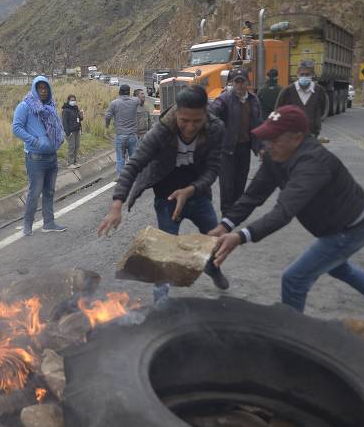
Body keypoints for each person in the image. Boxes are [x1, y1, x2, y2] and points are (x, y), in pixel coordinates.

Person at [209, 105, 364, 321]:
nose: (267, 145)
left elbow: (283, 212)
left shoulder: (313, 163)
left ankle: (293, 336)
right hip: (334, 225)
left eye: (274, 139)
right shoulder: (275, 155)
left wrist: (240, 237)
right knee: (336, 267)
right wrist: (225, 225)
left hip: (352, 228)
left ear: (297, 138)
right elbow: (253, 195)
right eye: (266, 138)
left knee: (294, 278)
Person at [98, 85, 229, 301]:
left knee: (213, 241)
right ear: (177, 112)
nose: (189, 127)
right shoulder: (161, 131)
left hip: (199, 194)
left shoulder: (216, 129)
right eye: (184, 120)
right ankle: (161, 300)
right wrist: (116, 205)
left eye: (196, 121)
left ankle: (213, 269)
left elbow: (213, 169)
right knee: (164, 253)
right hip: (166, 198)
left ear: (205, 113)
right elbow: (133, 165)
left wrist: (190, 190)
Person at [12, 75, 67, 236]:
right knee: (34, 193)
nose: (43, 91)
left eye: (45, 88)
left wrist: (60, 137)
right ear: (34, 89)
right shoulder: (25, 106)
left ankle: (49, 223)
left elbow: (56, 126)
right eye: (40, 88)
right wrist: (35, 142)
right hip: (35, 158)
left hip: (52, 156)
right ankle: (27, 225)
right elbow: (16, 128)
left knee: (49, 191)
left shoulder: (51, 106)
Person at [209, 67, 262, 215]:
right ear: (232, 83)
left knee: (240, 182)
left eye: (242, 81)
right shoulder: (224, 99)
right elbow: (211, 114)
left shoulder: (253, 100)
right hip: (226, 150)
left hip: (244, 148)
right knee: (227, 184)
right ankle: (226, 213)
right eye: (236, 82)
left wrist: (260, 147)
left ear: (247, 83)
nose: (239, 85)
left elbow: (258, 124)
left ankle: (235, 213)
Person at [274, 59, 327, 137]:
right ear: (297, 74)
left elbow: (323, 109)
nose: (304, 77)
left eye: (307, 74)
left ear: (312, 74)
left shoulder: (319, 91)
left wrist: (316, 124)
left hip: (312, 135)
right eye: (302, 74)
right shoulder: (287, 91)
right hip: (291, 136)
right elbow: (278, 111)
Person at [105, 84, 139, 175]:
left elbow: (107, 116)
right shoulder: (135, 101)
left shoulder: (114, 103)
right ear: (129, 92)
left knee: (120, 158)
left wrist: (107, 126)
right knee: (133, 158)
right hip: (132, 134)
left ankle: (120, 177)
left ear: (119, 92)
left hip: (120, 135)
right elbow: (139, 99)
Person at [61, 94, 84, 168]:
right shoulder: (65, 110)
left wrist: (81, 115)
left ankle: (74, 162)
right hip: (71, 132)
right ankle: (70, 163)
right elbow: (64, 122)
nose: (73, 101)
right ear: (68, 101)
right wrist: (68, 133)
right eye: (72, 100)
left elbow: (79, 119)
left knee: (77, 146)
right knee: (72, 147)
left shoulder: (75, 108)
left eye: (74, 100)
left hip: (77, 130)